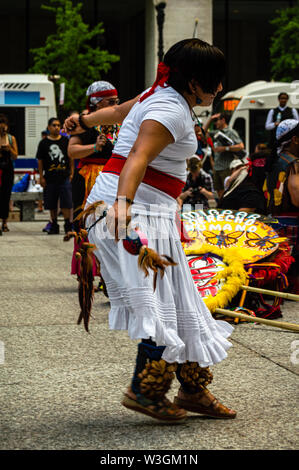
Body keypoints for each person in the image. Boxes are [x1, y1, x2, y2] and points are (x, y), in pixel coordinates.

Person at [65, 38, 236, 423]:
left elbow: (124, 110)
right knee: (161, 305)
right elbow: (138, 158)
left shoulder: (158, 93)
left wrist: (88, 120)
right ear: (194, 82)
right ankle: (146, 390)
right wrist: (123, 209)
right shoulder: (169, 110)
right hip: (130, 211)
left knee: (182, 301)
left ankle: (192, 389)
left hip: (140, 209)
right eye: (214, 81)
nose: (219, 88)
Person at [68, 81, 120, 283]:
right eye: (111, 101)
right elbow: (72, 151)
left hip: (116, 175)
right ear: (97, 103)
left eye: (117, 100)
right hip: (89, 177)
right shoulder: (84, 120)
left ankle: (115, 274)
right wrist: (94, 147)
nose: (116, 103)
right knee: (86, 223)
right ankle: (87, 271)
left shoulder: (119, 119)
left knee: (117, 222)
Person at [36, 117, 73, 235]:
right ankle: (54, 224)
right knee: (51, 202)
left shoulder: (66, 141)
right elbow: (40, 161)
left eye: (58, 125)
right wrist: (41, 176)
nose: (56, 127)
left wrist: (72, 173)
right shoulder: (44, 143)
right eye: (54, 125)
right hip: (50, 178)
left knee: (66, 201)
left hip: (64, 176)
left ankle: (68, 224)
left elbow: (71, 157)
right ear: (48, 127)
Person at [204, 113, 245, 198]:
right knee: (219, 192)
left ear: (223, 120)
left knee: (227, 191)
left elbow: (241, 146)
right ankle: (221, 206)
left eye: (217, 120)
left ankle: (227, 208)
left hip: (226, 167)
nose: (216, 123)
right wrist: (211, 119)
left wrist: (225, 148)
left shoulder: (231, 132)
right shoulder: (217, 132)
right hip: (217, 167)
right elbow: (203, 131)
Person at [0, 114, 18, 233]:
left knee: (6, 196)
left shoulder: (11, 138)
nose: (3, 128)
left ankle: (4, 222)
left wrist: (9, 149)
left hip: (7, 169)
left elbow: (15, 156)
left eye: (4, 125)